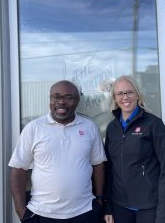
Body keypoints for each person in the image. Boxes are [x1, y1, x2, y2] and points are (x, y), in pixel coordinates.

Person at [9, 80, 107, 223]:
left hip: (84, 212)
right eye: (56, 97)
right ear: (50, 99)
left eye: (68, 97)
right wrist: (21, 210)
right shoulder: (33, 128)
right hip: (42, 213)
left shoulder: (89, 127)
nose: (61, 102)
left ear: (78, 100)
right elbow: (18, 169)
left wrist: (99, 199)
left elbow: (98, 165)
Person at [103, 75, 165, 223]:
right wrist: (108, 207)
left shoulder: (153, 124)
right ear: (115, 98)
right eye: (120, 93)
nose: (125, 97)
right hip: (120, 207)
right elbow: (109, 169)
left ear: (137, 94)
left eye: (130, 92)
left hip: (148, 207)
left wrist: (164, 217)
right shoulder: (112, 128)